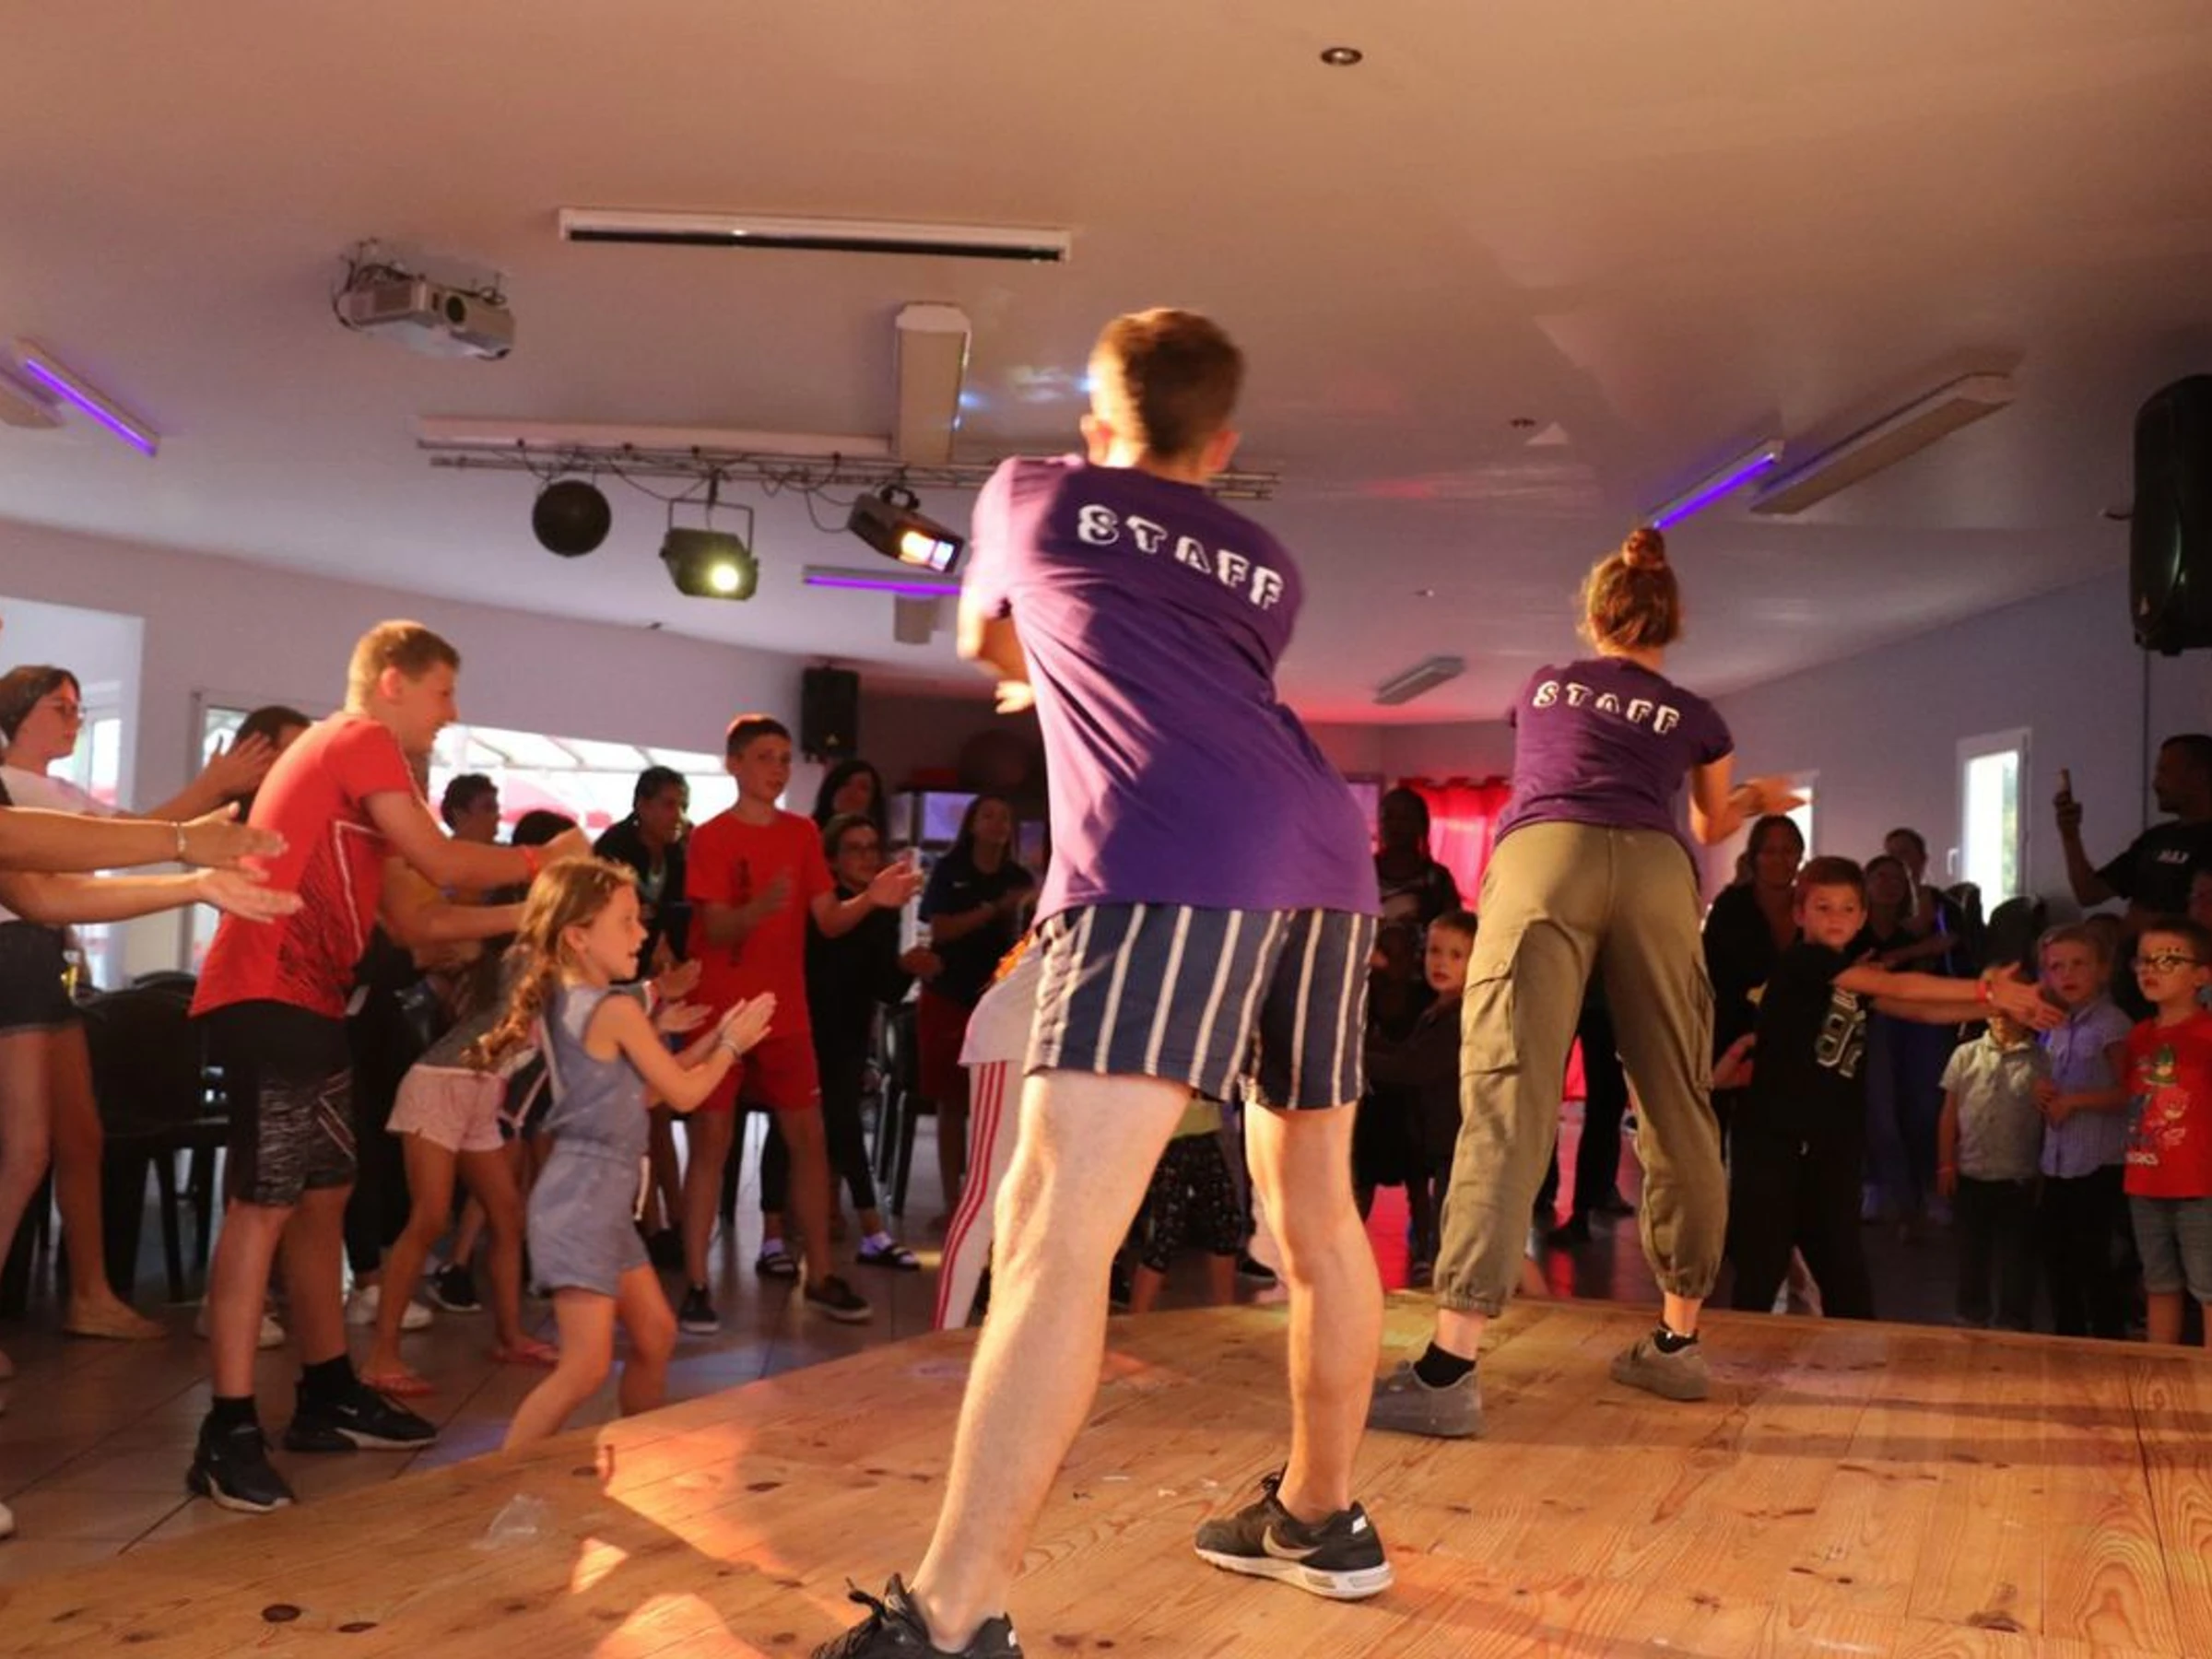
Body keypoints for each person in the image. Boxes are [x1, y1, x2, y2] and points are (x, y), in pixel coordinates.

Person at [818, 309, 1387, 1659]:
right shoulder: (1267, 566)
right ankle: (1320, 1517)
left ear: (1094, 422)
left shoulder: (1033, 494)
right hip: (1327, 855)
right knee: (1316, 1213)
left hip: (1163, 857)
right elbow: (1199, 678)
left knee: (1054, 1234)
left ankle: (949, 1618)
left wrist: (1040, 679)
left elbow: (991, 647)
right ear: (1224, 443)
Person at [1365, 527, 1795, 1445]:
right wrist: (1758, 800)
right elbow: (1710, 823)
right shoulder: (1694, 713)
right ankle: (1677, 1345)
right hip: (1656, 873)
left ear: (1595, 616)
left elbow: (1557, 762)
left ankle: (1449, 1367)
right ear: (1673, 623)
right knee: (1678, 1099)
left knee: (1507, 1097)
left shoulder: (1545, 686)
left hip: (1546, 861)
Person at [184, 619, 590, 1516]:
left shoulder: (368, 780)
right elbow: (444, 862)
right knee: (264, 1204)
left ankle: (327, 1390)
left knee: (324, 1194)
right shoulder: (358, 737)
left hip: (309, 1001)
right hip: (268, 992)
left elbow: (418, 920)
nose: (452, 713)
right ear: (394, 682)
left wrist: (539, 915)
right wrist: (546, 861)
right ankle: (226, 1429)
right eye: (444, 693)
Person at [0, 665, 280, 1347]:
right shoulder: (21, 790)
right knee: (27, 1149)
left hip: (40, 957)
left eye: (78, 708)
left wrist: (194, 873)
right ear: (19, 715)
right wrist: (199, 817)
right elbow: (114, 844)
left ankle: (91, 1294)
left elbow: (54, 888)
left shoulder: (42, 793)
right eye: (60, 708)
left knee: (77, 1139)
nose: (75, 720)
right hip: (17, 959)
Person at [481, 859, 777, 1449]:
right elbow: (684, 1094)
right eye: (626, 922)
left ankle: (636, 1453)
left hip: (597, 1197)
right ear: (577, 936)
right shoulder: (612, 1009)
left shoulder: (578, 1001)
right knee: (584, 1367)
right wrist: (731, 1044)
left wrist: (710, 1041)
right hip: (584, 1201)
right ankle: (498, 1485)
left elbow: (642, 1094)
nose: (642, 934)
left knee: (655, 1334)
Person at [1725, 858, 2055, 1322]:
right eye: (1823, 907)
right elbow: (1896, 984)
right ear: (1800, 914)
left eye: (1847, 908)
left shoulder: (1849, 974)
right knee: (1763, 1263)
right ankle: (1742, 1351)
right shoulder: (1806, 962)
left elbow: (1916, 1007)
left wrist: (1994, 1008)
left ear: (1862, 916)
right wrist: (1986, 993)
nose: (1836, 917)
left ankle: (1854, 1350)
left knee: (1842, 1264)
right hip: (1775, 1139)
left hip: (1830, 1141)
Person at [682, 715, 920, 1334]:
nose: (778, 768)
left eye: (785, 758)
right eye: (765, 756)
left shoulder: (802, 834)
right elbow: (715, 928)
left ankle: (820, 1275)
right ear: (734, 763)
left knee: (809, 1138)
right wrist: (757, 909)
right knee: (712, 1141)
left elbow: (829, 919)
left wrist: (872, 899)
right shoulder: (710, 837)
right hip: (719, 1010)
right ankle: (697, 1284)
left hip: (784, 1009)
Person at [757, 813, 937, 1276]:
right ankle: (775, 1236)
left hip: (848, 1033)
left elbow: (884, 987)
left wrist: (907, 968)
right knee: (788, 1129)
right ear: (833, 860)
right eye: (854, 848)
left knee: (843, 1125)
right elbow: (822, 963)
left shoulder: (882, 909)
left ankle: (869, 1232)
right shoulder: (824, 905)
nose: (866, 857)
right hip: (805, 1026)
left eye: (871, 847)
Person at [915, 794, 1033, 1224]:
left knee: (1000, 1105)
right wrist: (992, 911)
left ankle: (994, 1201)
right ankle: (952, 1202)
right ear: (971, 823)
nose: (998, 823)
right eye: (989, 815)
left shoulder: (1020, 878)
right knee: (951, 1101)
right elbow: (940, 930)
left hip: (1002, 1002)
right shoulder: (950, 870)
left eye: (1005, 817)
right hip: (949, 995)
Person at [932, 937, 1041, 1333]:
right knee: (985, 1194)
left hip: (1047, 1045)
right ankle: (942, 1337)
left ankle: (1008, 1336)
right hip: (1012, 1038)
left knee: (1032, 1200)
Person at [2034, 924, 2136, 1338]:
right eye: (2057, 967)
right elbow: (2050, 1080)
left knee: (2092, 1256)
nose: (2068, 974)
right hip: (2058, 1161)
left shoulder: (2112, 1025)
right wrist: (2041, 1093)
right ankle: (2068, 1336)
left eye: (2079, 964)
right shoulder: (2055, 1025)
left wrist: (2076, 1101)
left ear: (2103, 970)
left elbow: (2131, 1092)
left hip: (2097, 1162)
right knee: (2055, 1253)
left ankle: (2108, 1339)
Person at [1362, 910, 1477, 1276]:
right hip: (1439, 1140)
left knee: (1454, 1237)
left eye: (1456, 955)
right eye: (1434, 951)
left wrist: (1354, 1058)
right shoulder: (1438, 1010)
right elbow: (1407, 1055)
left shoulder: (1460, 1017)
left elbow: (1412, 1067)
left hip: (1457, 1142)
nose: (1441, 963)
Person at [2117, 918, 2212, 1347]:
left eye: (2168, 960)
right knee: (2158, 1282)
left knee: (2207, 1285)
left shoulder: (2206, 1033)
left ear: (2201, 975)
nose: (2151, 969)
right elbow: (2133, 1096)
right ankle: (2160, 1371)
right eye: (2144, 960)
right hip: (2145, 1176)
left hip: (2199, 1183)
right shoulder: (2139, 1035)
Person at [1936, 1012, 2046, 1330]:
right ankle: (1971, 1313)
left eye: (2011, 1012)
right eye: (1996, 1010)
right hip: (1972, 1171)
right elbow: (1949, 1113)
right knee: (1971, 1252)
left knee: (2017, 1256)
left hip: (2018, 1174)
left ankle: (2015, 1319)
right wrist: (1946, 1163)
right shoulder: (1966, 1054)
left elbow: (2046, 1116)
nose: (2002, 1018)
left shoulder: (2041, 1059)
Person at [1701, 814, 1806, 1137]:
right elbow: (1711, 972)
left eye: (1788, 850)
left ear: (1799, 855)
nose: (1779, 860)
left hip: (1792, 1035)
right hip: (1731, 1031)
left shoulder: (1810, 906)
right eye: (1770, 851)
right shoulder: (1732, 905)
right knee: (1718, 1127)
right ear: (1755, 857)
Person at [2056, 737, 2212, 934]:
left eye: (2164, 772)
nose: (2155, 783)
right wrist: (2070, 834)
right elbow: (2088, 893)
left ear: (2199, 776)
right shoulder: (2155, 838)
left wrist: (2142, 922)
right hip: (2136, 952)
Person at [1124, 1092, 1245, 1314]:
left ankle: (1226, 1312)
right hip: (1166, 1137)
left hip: (1205, 1132)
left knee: (1225, 1221)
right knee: (1166, 1232)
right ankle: (1136, 1317)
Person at [594, 764, 692, 971]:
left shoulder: (682, 849)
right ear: (642, 806)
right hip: (613, 962)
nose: (679, 815)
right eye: (669, 805)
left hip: (664, 964)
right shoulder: (612, 847)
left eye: (684, 807)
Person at [1373, 786, 1461, 931]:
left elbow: (1453, 933)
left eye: (1404, 818)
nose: (1395, 825)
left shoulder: (1438, 880)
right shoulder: (1363, 875)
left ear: (1421, 825)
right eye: (1388, 817)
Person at [812, 758, 890, 838]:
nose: (853, 791)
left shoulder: (875, 840)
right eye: (845, 784)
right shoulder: (808, 834)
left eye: (863, 787)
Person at [439, 772, 500, 847]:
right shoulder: (435, 853)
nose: (497, 816)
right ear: (459, 814)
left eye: (496, 810)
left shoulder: (505, 852)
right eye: (488, 808)